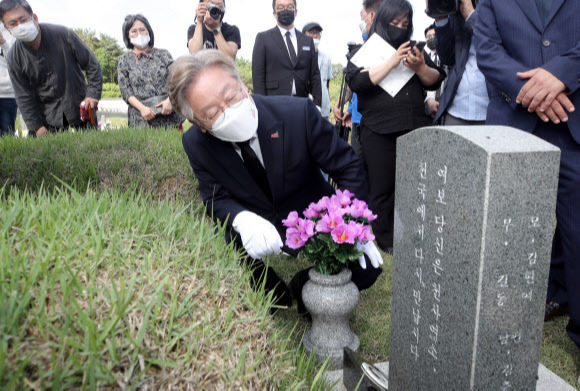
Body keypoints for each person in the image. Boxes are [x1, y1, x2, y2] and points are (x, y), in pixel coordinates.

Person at [168, 50, 383, 311]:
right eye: (212, 112)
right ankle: (268, 286)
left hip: (313, 215)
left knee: (367, 268)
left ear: (244, 86)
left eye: (231, 95)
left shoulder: (297, 113)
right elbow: (214, 197)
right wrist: (242, 219)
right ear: (198, 123)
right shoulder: (195, 143)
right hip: (257, 219)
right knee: (222, 244)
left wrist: (354, 222)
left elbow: (347, 166)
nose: (229, 111)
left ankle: (304, 284)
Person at [474, 0, 579, 348]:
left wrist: (563, 72)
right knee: (506, 231)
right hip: (513, 126)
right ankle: (498, 326)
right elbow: (487, 51)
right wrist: (531, 93)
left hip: (572, 123)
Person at [346, 0, 445, 253]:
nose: (400, 28)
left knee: (414, 185)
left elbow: (435, 80)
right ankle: (385, 238)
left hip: (413, 126)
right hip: (378, 130)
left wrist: (420, 67)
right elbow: (357, 81)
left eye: (405, 23)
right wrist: (392, 62)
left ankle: (414, 234)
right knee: (382, 187)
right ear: (381, 20)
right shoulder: (364, 50)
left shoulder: (415, 49)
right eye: (394, 23)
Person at [1, 0, 102, 137]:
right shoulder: (14, 57)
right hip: (47, 119)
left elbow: (92, 64)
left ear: (34, 18)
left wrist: (92, 94)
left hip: (80, 109)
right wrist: (37, 127)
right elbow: (23, 96)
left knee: (92, 151)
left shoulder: (63, 34)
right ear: (7, 29)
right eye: (13, 24)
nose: (20, 26)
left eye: (22, 19)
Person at [334, 0, 383, 158]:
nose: (361, 21)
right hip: (356, 118)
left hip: (375, 121)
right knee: (357, 161)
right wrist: (343, 106)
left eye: (362, 16)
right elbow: (353, 84)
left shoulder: (382, 48)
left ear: (372, 16)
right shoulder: (361, 47)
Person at [251, 0, 322, 107]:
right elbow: (258, 77)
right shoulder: (263, 38)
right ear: (274, 13)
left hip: (302, 103)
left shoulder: (307, 41)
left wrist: (317, 104)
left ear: (296, 11)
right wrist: (261, 106)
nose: (286, 10)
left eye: (290, 7)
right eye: (280, 7)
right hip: (273, 104)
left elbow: (315, 75)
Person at [117, 14, 182, 129]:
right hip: (141, 119)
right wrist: (142, 108)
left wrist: (170, 101)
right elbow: (126, 91)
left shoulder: (163, 54)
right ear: (128, 35)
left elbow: (178, 78)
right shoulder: (124, 61)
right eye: (134, 31)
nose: (139, 34)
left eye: (142, 30)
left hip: (169, 115)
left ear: (149, 31)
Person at [432, 0, 488, 125]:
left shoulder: (502, 6)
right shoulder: (455, 10)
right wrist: (440, 15)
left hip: (492, 109)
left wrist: (471, 16)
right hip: (457, 108)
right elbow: (447, 58)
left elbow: (496, 46)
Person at [302, 22, 332, 120]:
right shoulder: (299, 57)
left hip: (323, 108)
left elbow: (327, 83)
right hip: (304, 106)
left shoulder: (326, 58)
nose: (315, 36)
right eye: (312, 32)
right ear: (303, 34)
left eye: (317, 33)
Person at [423, 24, 445, 119]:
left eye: (434, 35)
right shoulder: (423, 59)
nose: (432, 38)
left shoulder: (448, 57)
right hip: (428, 107)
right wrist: (429, 99)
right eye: (429, 37)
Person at [0, 23, 16, 136]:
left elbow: (16, 62)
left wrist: (3, 43)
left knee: (6, 136)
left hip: (6, 95)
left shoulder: (12, 35)